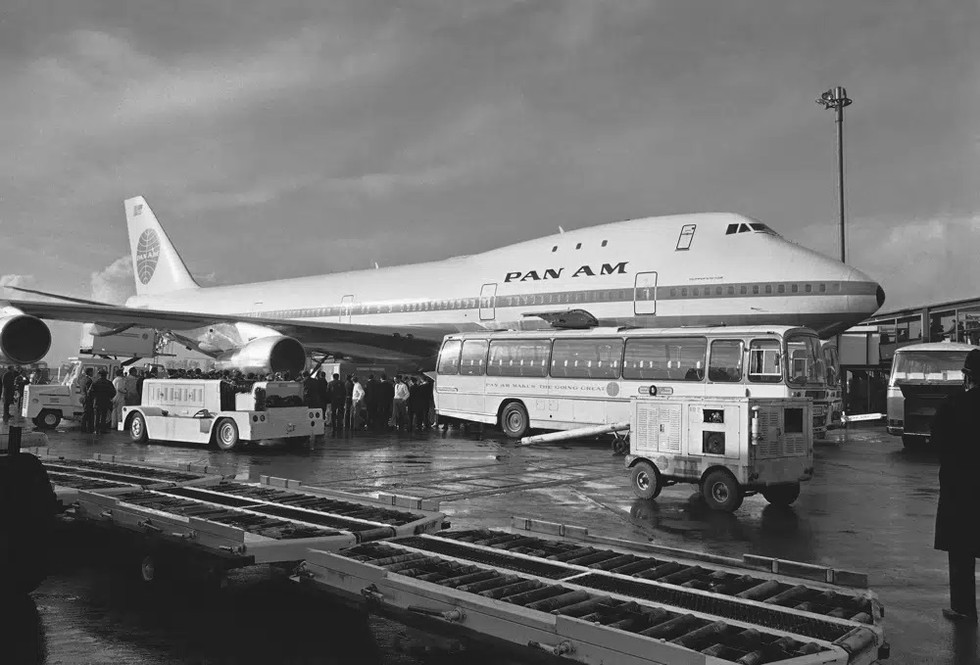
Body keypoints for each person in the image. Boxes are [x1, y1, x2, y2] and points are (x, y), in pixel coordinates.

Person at [931, 348, 980, 623]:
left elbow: (936, 441)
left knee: (961, 553)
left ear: (967, 376)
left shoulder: (953, 404)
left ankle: (963, 609)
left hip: (960, 490)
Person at [90, 369, 117, 434]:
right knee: (104, 416)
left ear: (99, 375)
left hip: (97, 401)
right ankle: (102, 429)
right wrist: (109, 397)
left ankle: (96, 430)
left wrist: (94, 397)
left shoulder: (95, 382)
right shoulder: (109, 383)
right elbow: (114, 392)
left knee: (97, 416)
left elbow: (90, 392)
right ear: (105, 375)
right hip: (106, 401)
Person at [78, 367, 95, 433]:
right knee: (88, 413)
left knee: (86, 413)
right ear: (90, 372)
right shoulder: (89, 380)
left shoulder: (82, 379)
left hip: (83, 397)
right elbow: (89, 391)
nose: (93, 373)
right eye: (92, 372)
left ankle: (85, 428)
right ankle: (86, 428)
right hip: (88, 398)